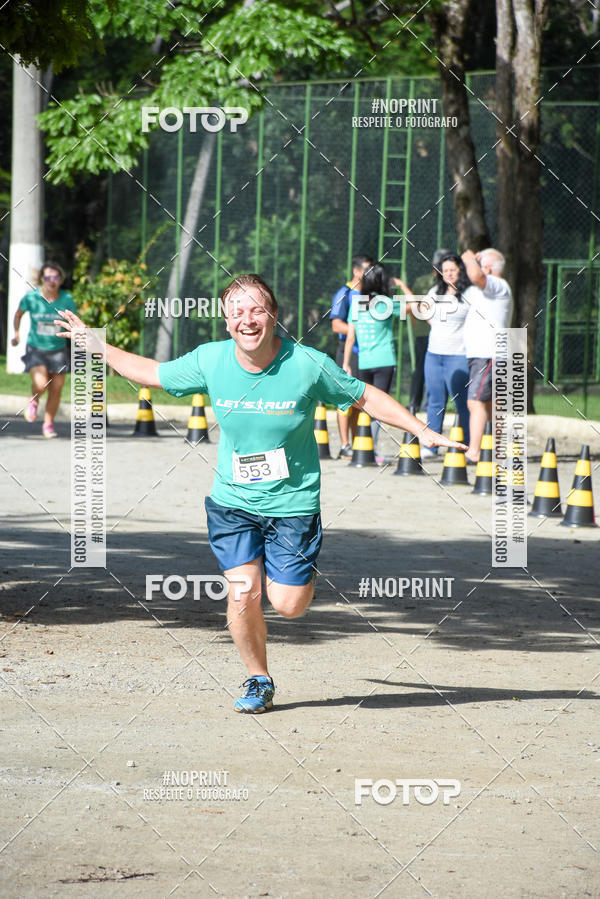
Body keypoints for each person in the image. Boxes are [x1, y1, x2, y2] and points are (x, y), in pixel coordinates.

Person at [56, 273, 466, 714]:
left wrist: (423, 430)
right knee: (242, 591)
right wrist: (92, 342)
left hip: (293, 506)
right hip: (233, 502)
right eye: (237, 310)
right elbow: (151, 373)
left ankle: (291, 581)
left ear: (274, 316)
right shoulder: (210, 360)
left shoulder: (307, 363)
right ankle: (258, 678)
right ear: (225, 318)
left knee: (288, 605)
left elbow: (364, 396)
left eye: (257, 310)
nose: (247, 319)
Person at [342, 262, 411, 464]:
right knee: (379, 409)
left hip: (364, 362)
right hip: (385, 362)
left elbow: (350, 338)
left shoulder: (358, 303)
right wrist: (402, 285)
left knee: (366, 407)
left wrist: (346, 363)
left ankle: (364, 448)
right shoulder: (387, 303)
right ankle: (369, 450)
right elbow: (415, 306)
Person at [11, 261, 77, 438]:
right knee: (41, 384)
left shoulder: (67, 299)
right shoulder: (31, 298)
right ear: (42, 279)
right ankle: (33, 399)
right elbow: (18, 314)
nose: (52, 281)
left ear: (60, 280)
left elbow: (74, 320)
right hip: (37, 348)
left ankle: (48, 424)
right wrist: (16, 334)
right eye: (48, 277)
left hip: (59, 349)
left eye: (56, 277)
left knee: (56, 387)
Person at [461, 248, 514, 462]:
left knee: (475, 402)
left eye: (480, 262)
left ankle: (474, 450)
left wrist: (467, 257)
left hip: (488, 354)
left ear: (489, 267)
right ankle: (499, 450)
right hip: (487, 354)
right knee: (494, 404)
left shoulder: (498, 286)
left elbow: (475, 275)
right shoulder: (483, 291)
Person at [421, 253, 471, 456]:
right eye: (445, 270)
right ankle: (431, 445)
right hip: (433, 355)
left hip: (458, 355)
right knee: (435, 400)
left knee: (462, 402)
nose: (448, 273)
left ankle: (468, 444)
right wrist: (433, 323)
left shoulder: (470, 293)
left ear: (460, 270)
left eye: (452, 269)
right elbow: (423, 308)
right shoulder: (435, 291)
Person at [329, 254, 372, 458]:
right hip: (348, 352)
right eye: (366, 269)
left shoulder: (371, 294)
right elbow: (336, 325)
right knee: (345, 398)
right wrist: (359, 330)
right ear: (356, 271)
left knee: (360, 401)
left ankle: (357, 445)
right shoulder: (344, 294)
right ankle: (345, 445)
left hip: (366, 353)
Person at [408, 249, 450, 412]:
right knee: (421, 368)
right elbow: (414, 308)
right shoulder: (423, 282)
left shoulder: (450, 285)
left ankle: (427, 404)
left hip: (440, 335)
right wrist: (417, 328)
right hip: (424, 333)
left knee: (435, 369)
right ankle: (415, 403)